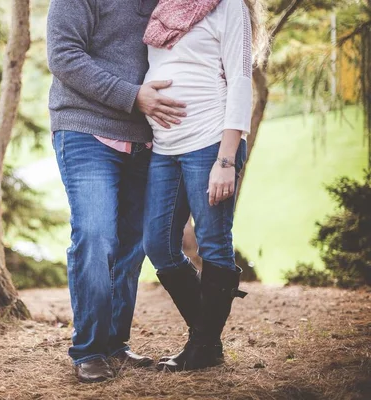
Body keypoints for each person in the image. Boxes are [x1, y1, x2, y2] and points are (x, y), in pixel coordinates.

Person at [46, 0, 187, 383]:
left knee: (131, 244)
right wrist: (132, 95)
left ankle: (114, 343)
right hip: (85, 126)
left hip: (146, 138)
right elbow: (62, 56)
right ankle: (88, 349)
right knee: (95, 234)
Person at [142, 0, 267, 372]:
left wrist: (226, 160)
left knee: (213, 242)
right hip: (165, 147)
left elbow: (241, 81)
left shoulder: (229, 7)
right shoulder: (162, 6)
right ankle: (207, 340)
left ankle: (202, 347)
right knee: (159, 244)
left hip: (211, 141)